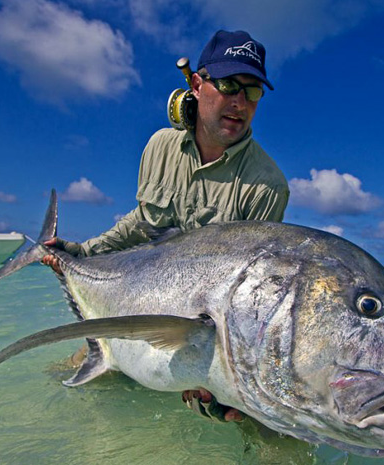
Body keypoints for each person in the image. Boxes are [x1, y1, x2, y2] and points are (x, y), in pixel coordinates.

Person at [42, 30, 289, 422]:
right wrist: (82, 255)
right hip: (141, 304)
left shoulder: (266, 184)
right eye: (228, 85)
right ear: (196, 83)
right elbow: (141, 225)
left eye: (252, 91)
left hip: (199, 326)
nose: (239, 102)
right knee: (58, 380)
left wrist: (215, 371)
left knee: (260, 424)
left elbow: (246, 296)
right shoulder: (159, 146)